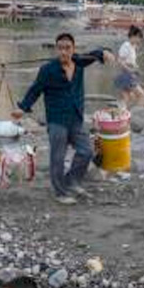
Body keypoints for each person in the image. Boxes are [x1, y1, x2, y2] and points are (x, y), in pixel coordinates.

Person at [12, 33, 114, 205]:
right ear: (56, 49)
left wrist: (105, 52)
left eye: (67, 48)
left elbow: (95, 54)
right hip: (56, 119)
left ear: (73, 49)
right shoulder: (47, 70)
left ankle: (72, 182)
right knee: (57, 157)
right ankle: (60, 192)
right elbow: (35, 90)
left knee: (86, 151)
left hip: (75, 118)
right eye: (60, 48)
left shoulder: (80, 62)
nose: (64, 52)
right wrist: (22, 108)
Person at [114, 26, 144, 109]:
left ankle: (122, 115)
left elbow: (130, 60)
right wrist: (130, 70)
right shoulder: (126, 46)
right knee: (142, 96)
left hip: (129, 74)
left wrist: (135, 67)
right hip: (127, 75)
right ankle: (137, 114)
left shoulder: (132, 46)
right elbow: (119, 60)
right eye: (139, 38)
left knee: (128, 98)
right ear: (133, 36)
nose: (140, 40)